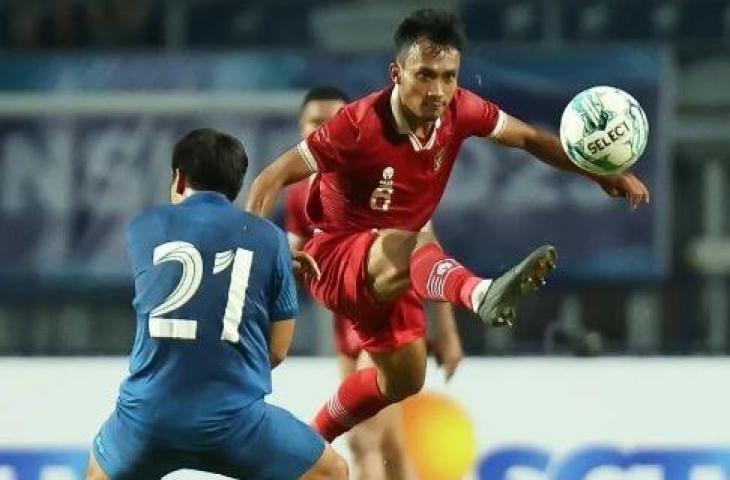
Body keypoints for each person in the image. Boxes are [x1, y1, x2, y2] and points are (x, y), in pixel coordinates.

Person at [247, 8, 650, 443]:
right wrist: (254, 259)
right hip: (337, 257)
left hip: (393, 270)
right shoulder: (357, 125)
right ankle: (480, 293)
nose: (438, 90)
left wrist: (599, 173)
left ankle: (307, 442)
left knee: (403, 380)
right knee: (407, 239)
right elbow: (270, 177)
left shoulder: (462, 110)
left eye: (448, 75)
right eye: (425, 75)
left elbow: (531, 139)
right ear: (396, 73)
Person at [86, 128, 348, 480]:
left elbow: (194, 260)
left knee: (97, 471)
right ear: (236, 186)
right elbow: (279, 348)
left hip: (146, 420)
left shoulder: (143, 228)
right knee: (332, 471)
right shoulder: (270, 239)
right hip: (236, 422)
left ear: (179, 179)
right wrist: (276, 265)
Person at [287, 86, 463, 479]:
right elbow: (292, 253)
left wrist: (447, 329)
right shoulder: (300, 193)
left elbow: (426, 249)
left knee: (365, 438)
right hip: (346, 322)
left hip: (390, 312)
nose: (326, 128)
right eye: (316, 122)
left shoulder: (382, 170)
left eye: (335, 119)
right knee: (389, 441)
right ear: (301, 129)